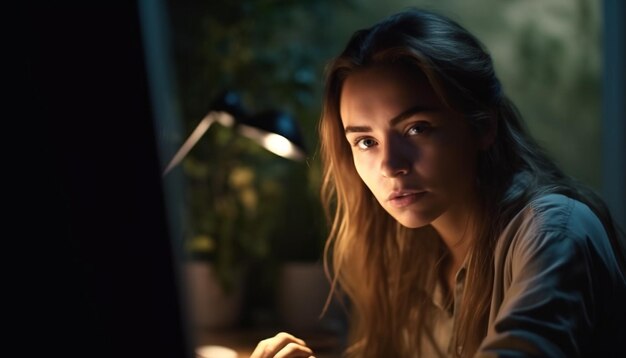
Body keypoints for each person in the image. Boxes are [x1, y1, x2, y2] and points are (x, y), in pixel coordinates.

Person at [250, 8, 626, 358]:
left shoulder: (556, 232)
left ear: (483, 126)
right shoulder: (406, 253)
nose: (390, 165)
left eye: (417, 128)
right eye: (366, 141)